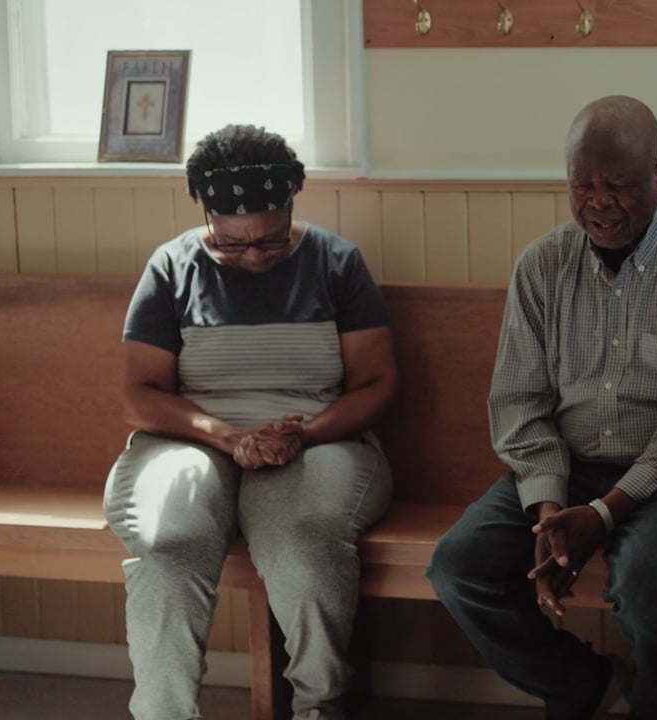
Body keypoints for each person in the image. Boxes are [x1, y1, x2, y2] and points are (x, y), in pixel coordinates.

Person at [427, 95, 657, 720]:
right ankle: (580, 683)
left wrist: (604, 515)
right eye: (583, 185)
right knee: (458, 567)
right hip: (566, 466)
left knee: (642, 582)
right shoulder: (541, 265)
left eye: (619, 185)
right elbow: (520, 403)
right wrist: (552, 510)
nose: (599, 202)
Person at [103, 124, 398, 720]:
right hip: (193, 440)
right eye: (232, 243)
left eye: (271, 240)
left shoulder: (336, 263)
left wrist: (301, 435)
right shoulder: (171, 268)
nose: (255, 257)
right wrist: (230, 437)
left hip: (318, 439)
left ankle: (322, 707)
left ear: (292, 207)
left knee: (305, 542)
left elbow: (377, 383)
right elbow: (141, 394)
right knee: (168, 545)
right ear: (206, 215)